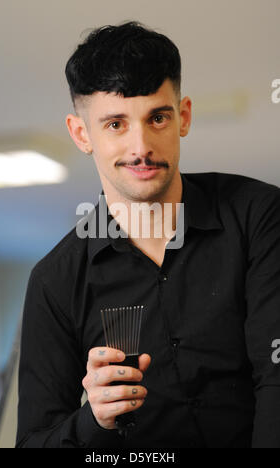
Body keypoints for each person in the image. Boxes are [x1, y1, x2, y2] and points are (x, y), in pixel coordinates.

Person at [16, 21, 280, 448]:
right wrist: (94, 421)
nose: (141, 147)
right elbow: (32, 441)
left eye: (157, 117)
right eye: (116, 124)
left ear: (184, 117)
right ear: (82, 134)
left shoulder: (259, 216)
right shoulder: (54, 281)